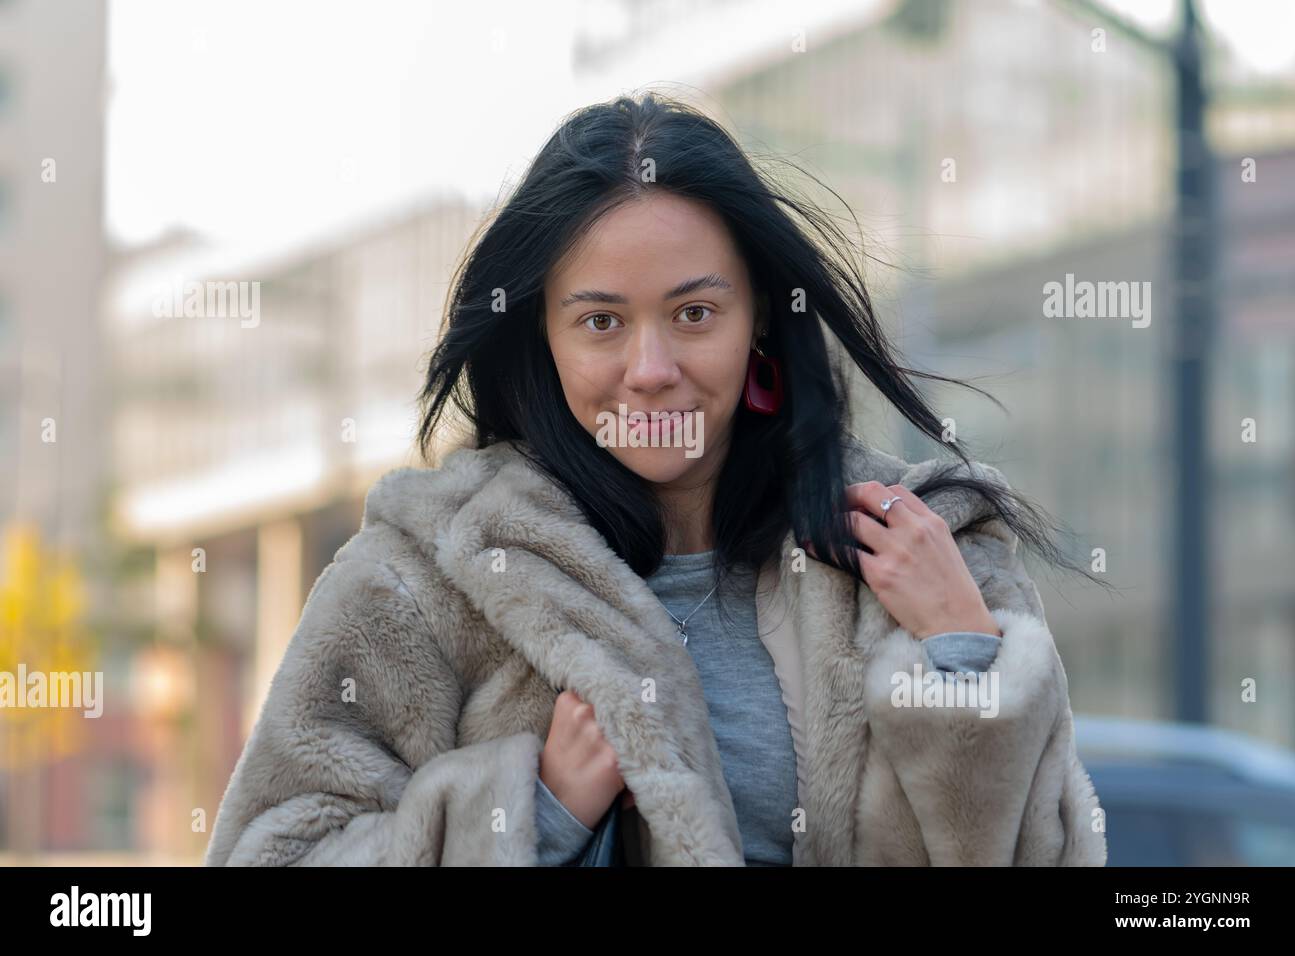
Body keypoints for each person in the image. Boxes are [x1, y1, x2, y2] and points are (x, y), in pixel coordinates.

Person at [204, 91, 1109, 866]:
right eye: (601, 322)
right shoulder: (430, 573)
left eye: (694, 312)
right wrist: (533, 815)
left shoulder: (920, 549)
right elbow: (273, 850)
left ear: (757, 318)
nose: (650, 367)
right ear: (542, 337)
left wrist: (961, 657)